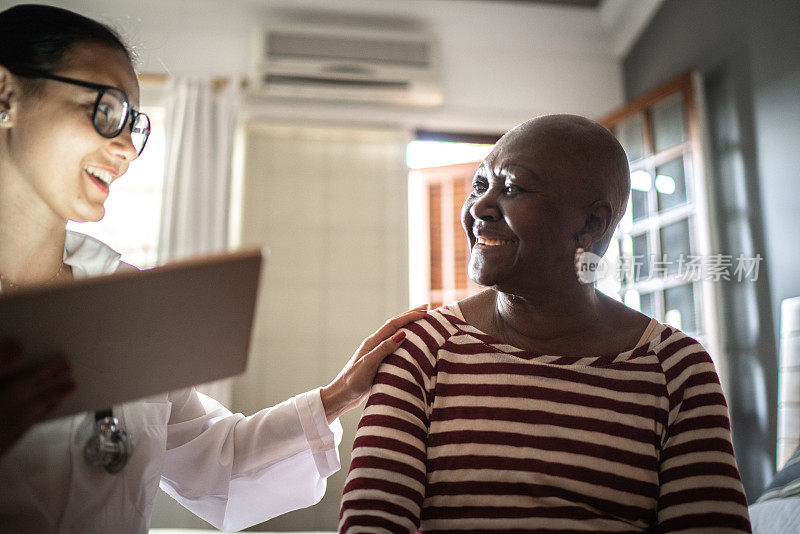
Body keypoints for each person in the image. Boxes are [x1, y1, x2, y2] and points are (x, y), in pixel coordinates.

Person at [0, 4, 427, 532]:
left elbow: (216, 461)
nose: (128, 149)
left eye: (135, 124)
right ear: (7, 95)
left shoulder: (127, 303)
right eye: (106, 109)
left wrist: (341, 394)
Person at [339, 114, 752, 532]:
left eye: (513, 188)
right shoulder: (422, 350)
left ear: (592, 223)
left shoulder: (677, 369)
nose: (478, 207)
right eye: (481, 185)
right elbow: (373, 525)